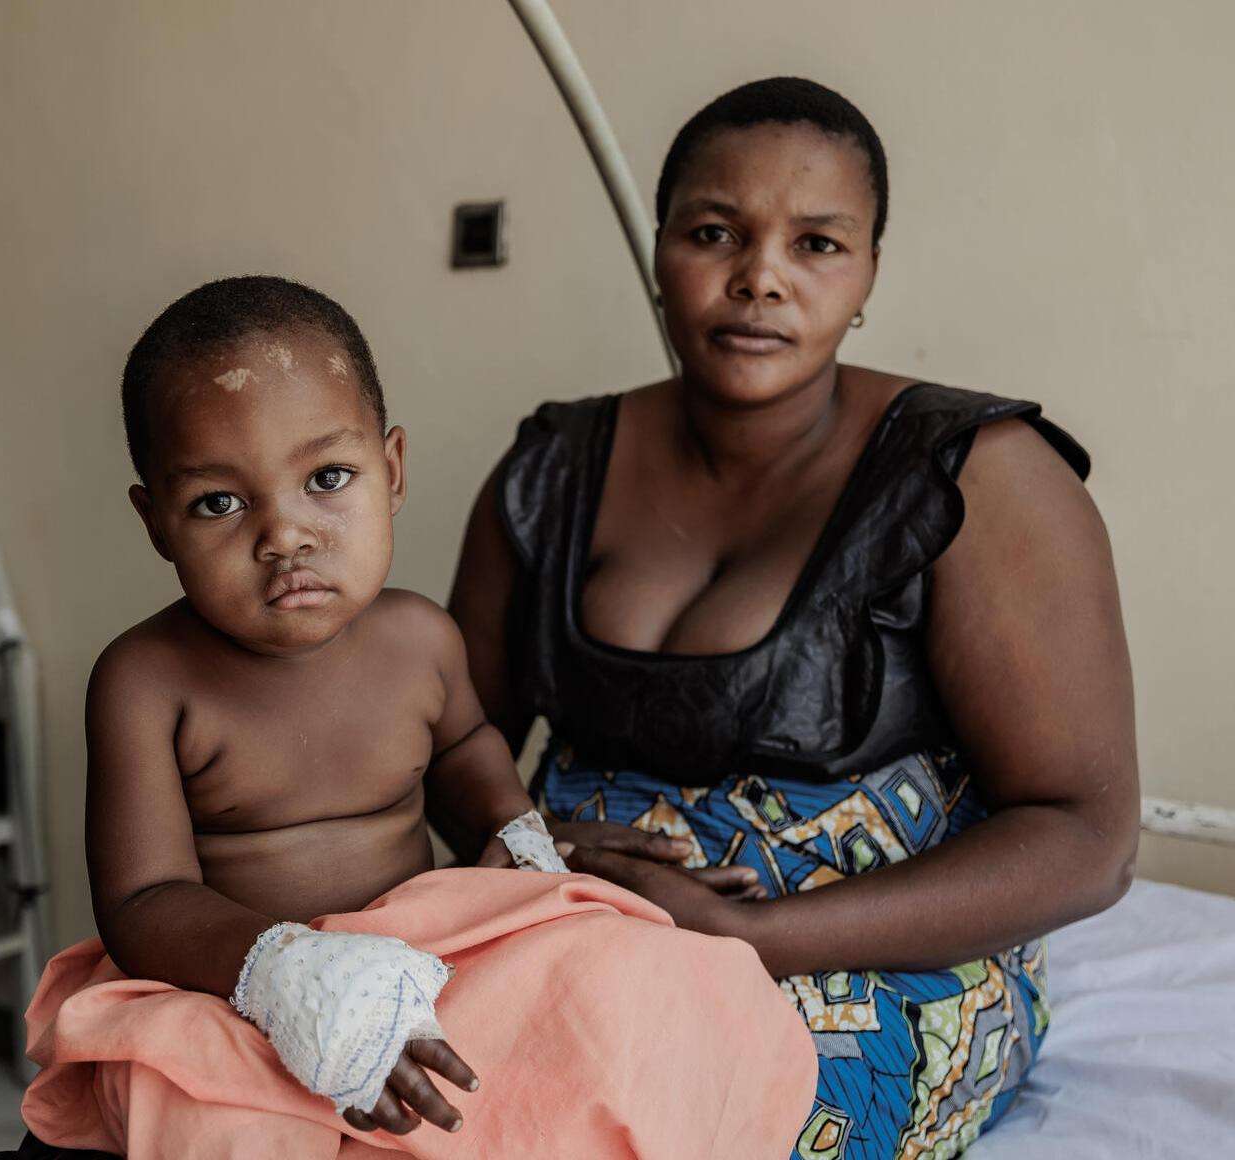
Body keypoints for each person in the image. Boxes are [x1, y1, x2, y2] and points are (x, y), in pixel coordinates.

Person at [449, 78, 1139, 1159]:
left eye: (816, 243)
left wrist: (752, 934)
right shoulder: (548, 470)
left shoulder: (977, 480)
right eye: (714, 232)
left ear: (867, 274)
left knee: (630, 1107)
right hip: (576, 935)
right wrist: (506, 832)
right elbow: (442, 740)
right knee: (348, 1067)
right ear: (660, 251)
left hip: (866, 976)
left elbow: (1085, 840)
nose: (759, 277)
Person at [17, 276, 812, 1158]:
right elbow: (142, 898)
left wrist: (515, 832)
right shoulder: (146, 681)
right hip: (229, 988)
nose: (283, 535)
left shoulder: (418, 638)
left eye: (326, 478)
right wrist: (288, 977)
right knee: (213, 1119)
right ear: (156, 522)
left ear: (390, 471)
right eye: (219, 502)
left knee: (627, 981)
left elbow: (466, 749)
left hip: (426, 949)